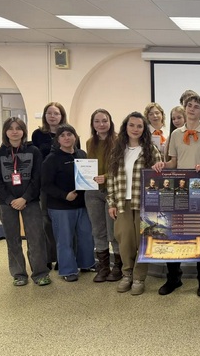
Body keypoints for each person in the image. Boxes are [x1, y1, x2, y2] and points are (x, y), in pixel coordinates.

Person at [152, 94, 200, 297]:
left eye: (196, 106)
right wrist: (162, 165)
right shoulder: (175, 135)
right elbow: (173, 162)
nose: (192, 109)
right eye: (189, 105)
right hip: (179, 192)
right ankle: (174, 278)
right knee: (174, 235)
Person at [0, 117, 51, 287]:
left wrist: (25, 198)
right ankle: (19, 274)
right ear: (5, 132)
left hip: (30, 201)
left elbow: (37, 178)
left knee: (36, 238)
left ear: (23, 131)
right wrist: (11, 200)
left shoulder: (34, 152)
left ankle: (40, 273)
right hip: (6, 203)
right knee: (12, 239)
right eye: (11, 128)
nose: (14, 131)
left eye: (18, 128)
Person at [107, 112, 162, 295]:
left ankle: (139, 277)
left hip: (145, 203)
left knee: (143, 241)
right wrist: (111, 202)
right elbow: (111, 178)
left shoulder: (151, 150)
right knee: (125, 241)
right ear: (126, 127)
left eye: (139, 126)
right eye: (132, 125)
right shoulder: (117, 150)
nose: (135, 129)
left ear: (144, 129)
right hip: (122, 202)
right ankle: (127, 274)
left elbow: (159, 177)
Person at [42, 124, 95, 282]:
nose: (67, 138)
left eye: (69, 134)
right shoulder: (51, 159)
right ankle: (68, 270)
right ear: (58, 140)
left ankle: (87, 264)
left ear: (75, 137)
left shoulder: (82, 154)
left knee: (86, 236)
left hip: (82, 205)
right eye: (63, 135)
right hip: (61, 207)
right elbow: (45, 185)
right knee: (64, 240)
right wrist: (64, 195)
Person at [85, 108, 123, 283]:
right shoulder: (89, 143)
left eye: (104, 120)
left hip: (112, 190)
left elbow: (121, 166)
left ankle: (118, 267)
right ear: (93, 124)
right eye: (97, 121)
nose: (101, 124)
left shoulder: (119, 141)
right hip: (92, 192)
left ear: (110, 122)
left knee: (113, 231)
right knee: (97, 230)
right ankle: (103, 267)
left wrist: (106, 177)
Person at [31, 101, 71, 268]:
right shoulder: (38, 134)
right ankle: (49, 256)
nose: (52, 116)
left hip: (65, 185)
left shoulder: (69, 132)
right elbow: (34, 158)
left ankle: (64, 258)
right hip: (45, 184)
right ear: (45, 115)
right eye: (49, 113)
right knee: (46, 221)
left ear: (62, 116)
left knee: (65, 222)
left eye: (56, 113)